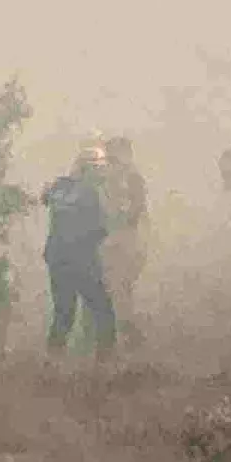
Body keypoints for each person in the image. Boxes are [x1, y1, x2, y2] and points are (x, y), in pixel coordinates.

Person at [41, 146, 117, 359]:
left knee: (63, 313)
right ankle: (106, 362)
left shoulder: (59, 186)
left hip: (57, 259)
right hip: (82, 260)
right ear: (89, 169)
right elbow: (101, 230)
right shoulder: (91, 194)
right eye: (99, 169)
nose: (102, 174)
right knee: (103, 311)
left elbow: (45, 198)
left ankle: (52, 362)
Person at [100, 136, 150, 348]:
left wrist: (117, 221)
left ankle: (125, 331)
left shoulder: (132, 177)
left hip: (125, 239)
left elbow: (137, 209)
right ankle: (123, 331)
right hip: (113, 238)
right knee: (116, 287)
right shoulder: (106, 178)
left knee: (120, 286)